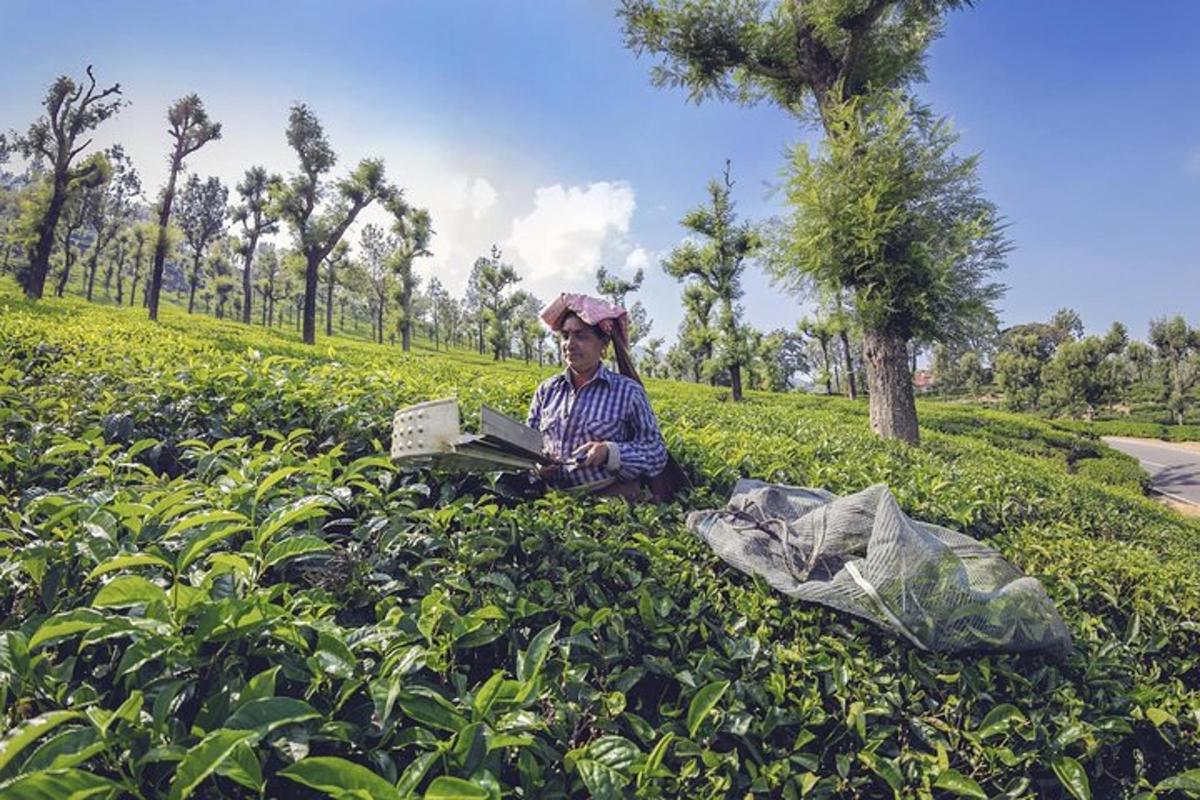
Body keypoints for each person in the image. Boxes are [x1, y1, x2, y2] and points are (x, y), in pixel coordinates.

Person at [527, 293, 670, 500]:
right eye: (565, 336)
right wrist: (537, 465)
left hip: (607, 503)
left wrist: (610, 452)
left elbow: (656, 453)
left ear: (603, 346)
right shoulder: (546, 390)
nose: (570, 344)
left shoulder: (628, 392)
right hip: (552, 503)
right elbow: (528, 442)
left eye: (581, 335)